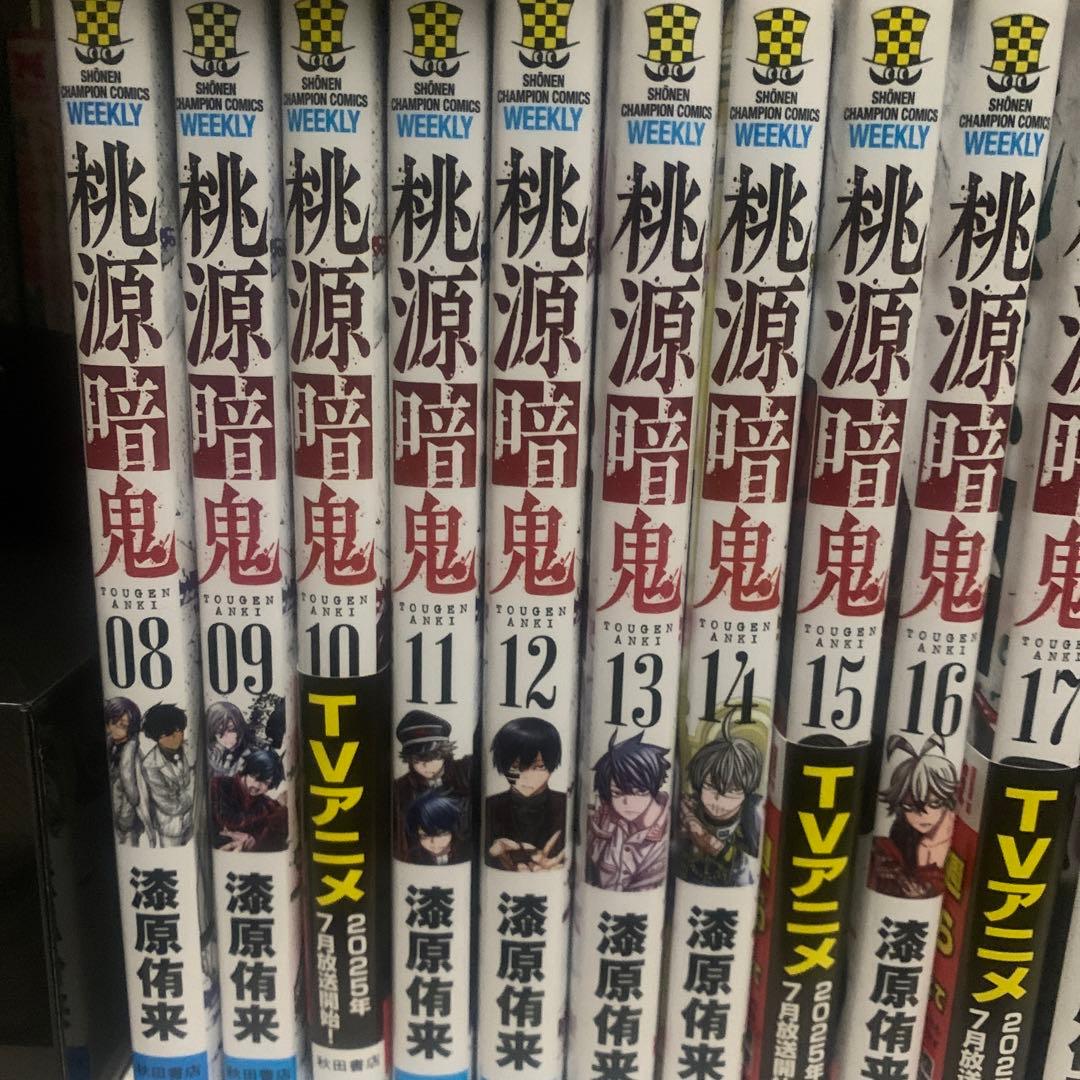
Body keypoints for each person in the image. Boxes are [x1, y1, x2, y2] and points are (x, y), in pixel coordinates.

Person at [870, 733, 959, 899]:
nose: (923, 814)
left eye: (935, 803)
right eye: (910, 806)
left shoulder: (951, 839)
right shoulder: (887, 847)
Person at [676, 722, 764, 886]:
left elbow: (755, 873)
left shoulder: (754, 816)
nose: (718, 799)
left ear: (746, 791)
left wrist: (711, 844)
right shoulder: (689, 807)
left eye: (732, 791)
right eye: (710, 786)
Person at [585, 732, 671, 891]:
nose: (627, 802)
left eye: (639, 792)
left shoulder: (666, 830)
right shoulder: (603, 821)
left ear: (653, 787)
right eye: (617, 793)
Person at [485, 716, 566, 871]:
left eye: (539, 767)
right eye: (516, 767)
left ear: (552, 764)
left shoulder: (565, 805)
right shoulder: (489, 806)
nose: (527, 777)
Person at [392, 711, 473, 860]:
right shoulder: (400, 788)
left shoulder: (465, 771)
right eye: (417, 761)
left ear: (444, 753)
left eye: (432, 758)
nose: (425, 766)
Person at [210, 749, 288, 852]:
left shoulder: (264, 803)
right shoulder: (220, 785)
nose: (257, 786)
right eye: (255, 778)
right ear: (246, 771)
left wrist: (253, 839)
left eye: (266, 783)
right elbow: (229, 821)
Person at [138, 703, 194, 847]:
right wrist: (194, 790)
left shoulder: (191, 748)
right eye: (168, 733)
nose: (177, 735)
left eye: (179, 730)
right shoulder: (150, 764)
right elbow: (170, 805)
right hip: (171, 826)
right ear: (157, 737)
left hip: (195, 820)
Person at [105, 696, 146, 845]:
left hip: (127, 821)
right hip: (114, 816)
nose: (114, 728)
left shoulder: (132, 755)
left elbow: (132, 793)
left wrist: (124, 820)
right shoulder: (112, 746)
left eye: (122, 725)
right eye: (112, 722)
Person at [405, 790, 467, 865]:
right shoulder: (413, 856)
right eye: (424, 836)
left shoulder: (465, 850)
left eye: (440, 834)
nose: (434, 842)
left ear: (453, 829)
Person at [206, 700, 250, 776]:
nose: (227, 738)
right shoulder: (209, 753)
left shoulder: (247, 755)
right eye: (219, 732)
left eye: (232, 730)